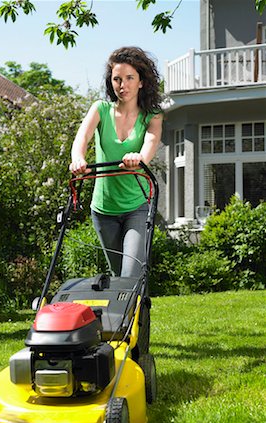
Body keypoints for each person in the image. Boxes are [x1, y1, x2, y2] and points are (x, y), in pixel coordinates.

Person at [70, 46, 163, 278]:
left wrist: (139, 158)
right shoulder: (100, 109)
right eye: (117, 79)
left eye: (130, 78)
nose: (123, 85)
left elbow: (150, 143)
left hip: (137, 206)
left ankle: (136, 313)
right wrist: (78, 159)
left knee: (131, 273)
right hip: (103, 209)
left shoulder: (152, 116)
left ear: (141, 81)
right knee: (117, 275)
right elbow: (82, 136)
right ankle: (132, 315)